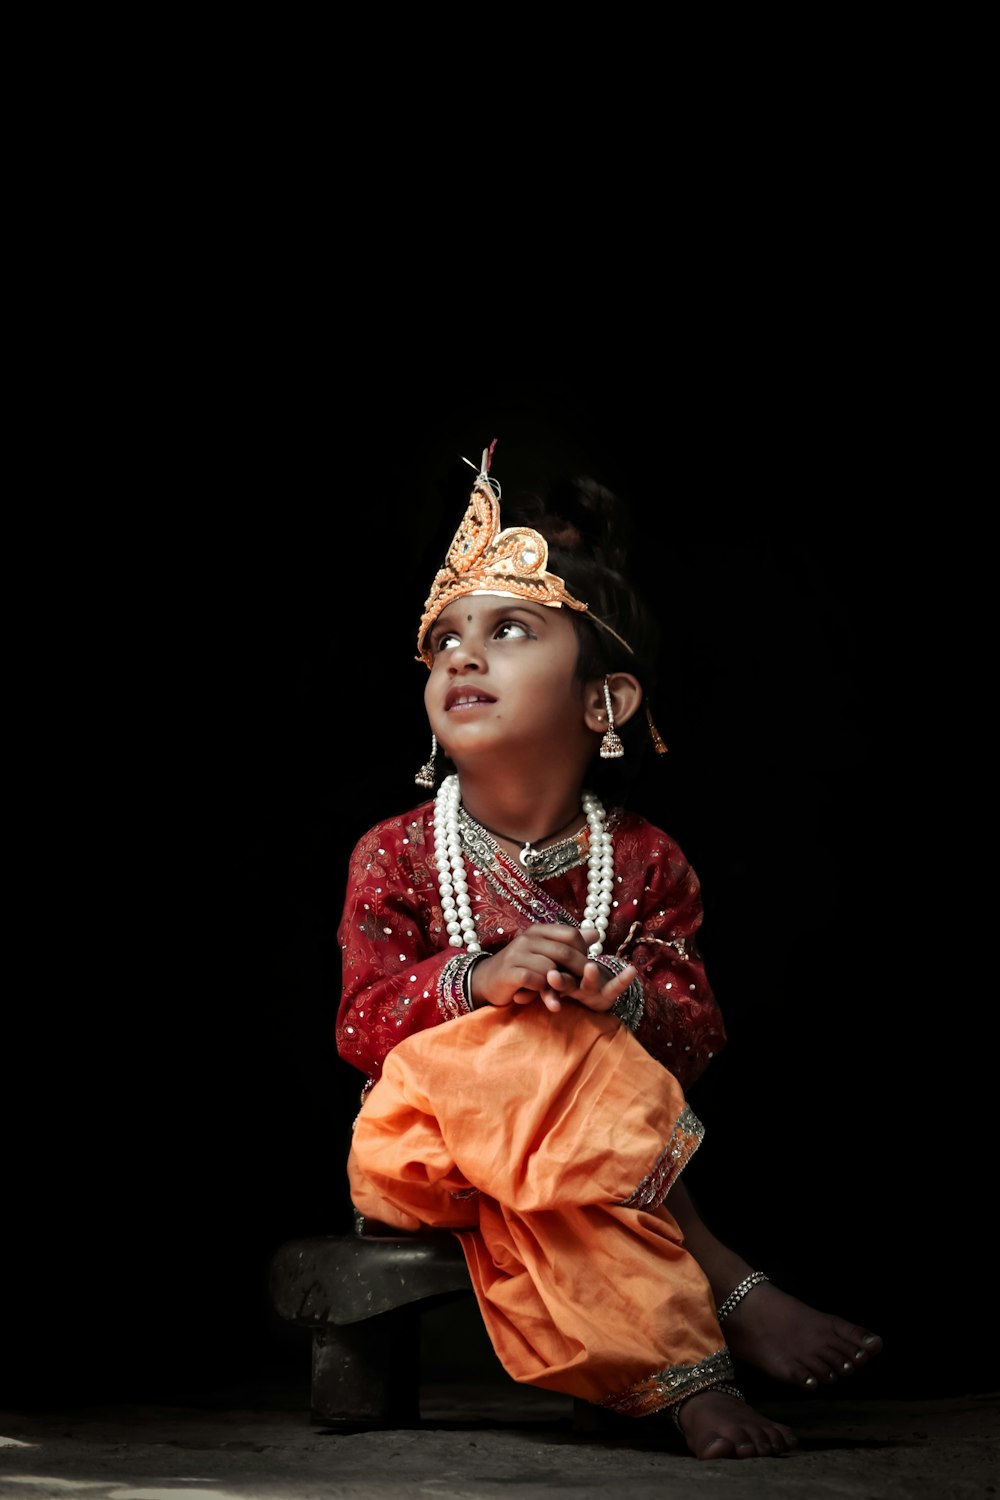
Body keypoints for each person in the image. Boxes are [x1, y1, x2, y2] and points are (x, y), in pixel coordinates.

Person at [335, 440, 882, 1461]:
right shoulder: (397, 853)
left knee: (565, 1049)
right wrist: (478, 979)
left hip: (581, 1150)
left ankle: (684, 1385)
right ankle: (728, 1287)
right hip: (422, 1153)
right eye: (442, 640)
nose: (459, 656)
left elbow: (692, 1034)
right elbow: (362, 1026)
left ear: (606, 704)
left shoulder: (643, 859)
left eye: (506, 631)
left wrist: (616, 998)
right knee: (530, 1041)